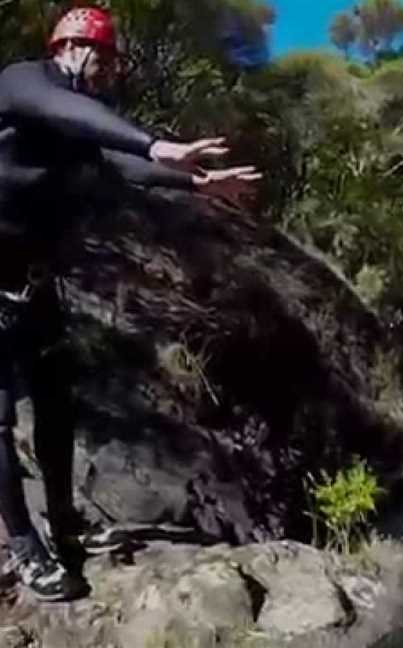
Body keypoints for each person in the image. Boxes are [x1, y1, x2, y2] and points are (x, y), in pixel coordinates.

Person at [0, 6, 261, 601]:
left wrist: (196, 183)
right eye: (108, 61)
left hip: (34, 282)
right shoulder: (21, 82)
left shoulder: (78, 125)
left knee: (56, 401)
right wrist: (158, 143)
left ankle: (62, 521)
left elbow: (117, 160)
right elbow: (68, 112)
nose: (111, 74)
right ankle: (24, 547)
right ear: (74, 47)